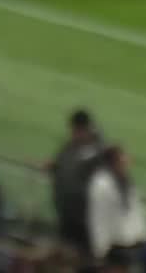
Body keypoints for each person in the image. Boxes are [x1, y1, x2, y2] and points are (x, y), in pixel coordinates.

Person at [48, 109, 104, 254]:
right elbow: (62, 164)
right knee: (62, 253)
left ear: (85, 129)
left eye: (76, 131)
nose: (73, 134)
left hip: (84, 220)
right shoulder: (71, 146)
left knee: (79, 256)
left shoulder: (97, 152)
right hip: (66, 213)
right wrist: (54, 167)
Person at [85, 146, 146, 262]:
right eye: (123, 158)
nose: (128, 160)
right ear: (114, 162)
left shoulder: (126, 180)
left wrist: (142, 235)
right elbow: (97, 217)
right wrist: (101, 250)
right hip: (115, 246)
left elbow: (135, 212)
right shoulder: (101, 184)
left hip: (132, 242)